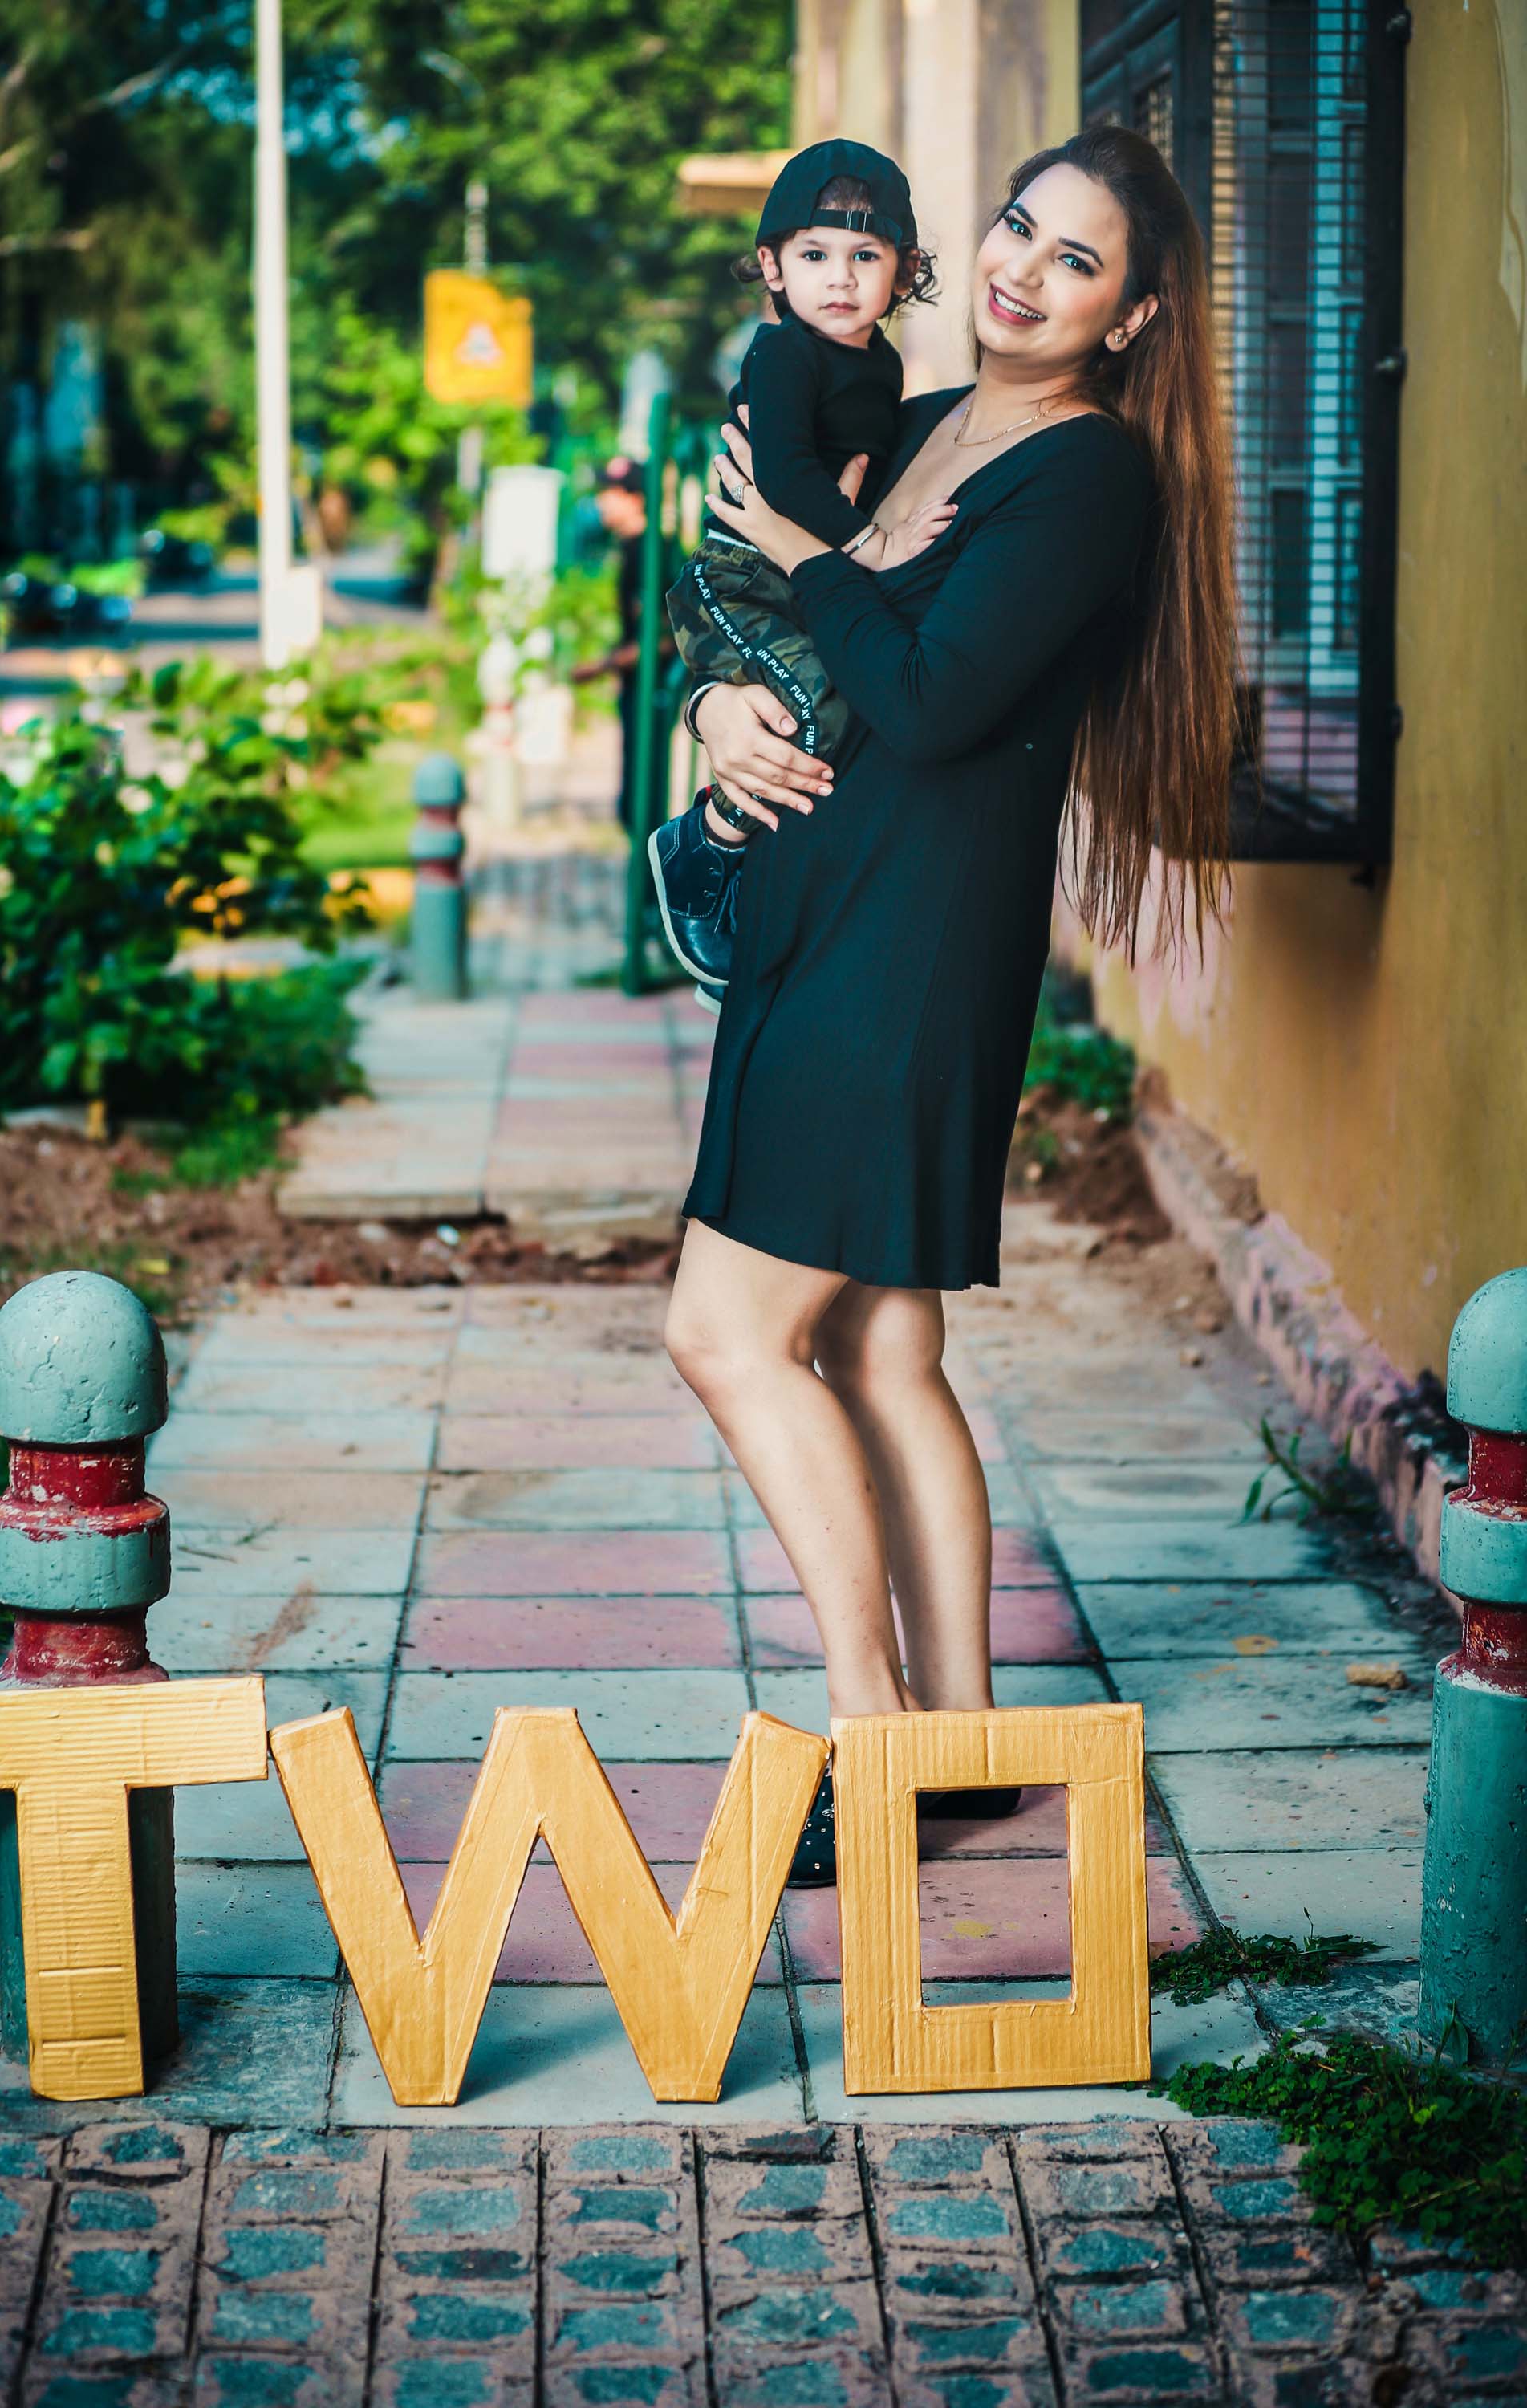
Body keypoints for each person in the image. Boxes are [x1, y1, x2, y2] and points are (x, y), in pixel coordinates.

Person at [663, 127, 1237, 1884]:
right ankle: (966, 1743)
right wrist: (712, 712)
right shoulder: (911, 422)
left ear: (1131, 317)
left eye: (1075, 262)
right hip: (820, 922)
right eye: (1016, 228)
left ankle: (881, 1733)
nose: (1021, 271)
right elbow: (757, 620)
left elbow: (923, 699)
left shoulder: (1088, 480)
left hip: (907, 954)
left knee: (726, 1333)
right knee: (878, 1343)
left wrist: (804, 554)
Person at [652, 140, 952, 1004]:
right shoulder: (783, 354)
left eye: (865, 257)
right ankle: (704, 846)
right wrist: (870, 547)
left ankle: (753, 898)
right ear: (774, 268)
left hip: (800, 579)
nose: (840, 279)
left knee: (837, 713)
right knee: (815, 711)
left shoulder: (882, 366)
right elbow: (781, 479)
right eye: (814, 255)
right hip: (742, 578)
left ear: (904, 273)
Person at [571, 457, 654, 832]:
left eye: (612, 492)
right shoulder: (630, 547)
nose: (602, 501)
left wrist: (601, 666)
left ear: (636, 498)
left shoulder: (649, 553)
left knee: (641, 796)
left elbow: (663, 637)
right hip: (635, 684)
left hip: (651, 689)